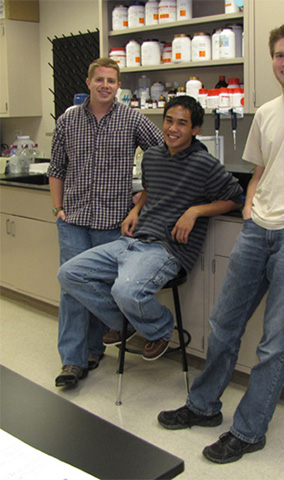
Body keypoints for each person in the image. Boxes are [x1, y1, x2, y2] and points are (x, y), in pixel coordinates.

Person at [157, 23, 284, 464]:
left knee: (274, 342)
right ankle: (203, 406)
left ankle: (249, 431)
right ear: (272, 60)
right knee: (222, 324)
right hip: (258, 229)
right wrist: (250, 207)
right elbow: (260, 170)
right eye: (279, 55)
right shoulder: (267, 112)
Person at [56, 95, 243, 381]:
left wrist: (195, 211)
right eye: (169, 121)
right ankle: (128, 324)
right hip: (133, 240)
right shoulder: (153, 156)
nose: (173, 128)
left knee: (126, 290)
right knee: (69, 274)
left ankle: (162, 328)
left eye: (182, 123)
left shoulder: (205, 164)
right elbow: (151, 190)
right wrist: (137, 209)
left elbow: (236, 198)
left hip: (167, 249)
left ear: (194, 130)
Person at [49, 57, 164, 387]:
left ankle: (93, 349)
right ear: (88, 83)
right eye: (99, 79)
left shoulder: (132, 119)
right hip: (73, 218)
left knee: (101, 286)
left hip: (112, 221)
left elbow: (163, 157)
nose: (104, 86)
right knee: (71, 287)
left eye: (111, 81)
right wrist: (57, 207)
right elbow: (56, 168)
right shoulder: (68, 120)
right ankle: (71, 361)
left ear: (118, 86)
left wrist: (139, 204)